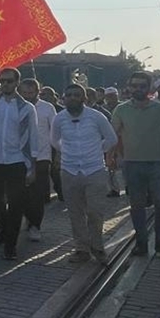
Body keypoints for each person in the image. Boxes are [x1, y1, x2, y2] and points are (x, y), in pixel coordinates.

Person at [110, 71, 160, 258]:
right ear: (129, 87)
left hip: (158, 163)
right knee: (137, 205)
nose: (138, 89)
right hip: (132, 164)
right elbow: (112, 135)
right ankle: (141, 243)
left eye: (142, 86)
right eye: (134, 85)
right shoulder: (121, 109)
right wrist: (112, 156)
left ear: (149, 88)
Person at [51, 84, 118, 264]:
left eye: (76, 95)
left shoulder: (97, 117)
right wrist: (67, 152)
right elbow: (54, 140)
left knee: (95, 211)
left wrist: (96, 150)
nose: (72, 98)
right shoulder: (59, 119)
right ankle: (81, 249)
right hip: (69, 170)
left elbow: (112, 139)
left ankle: (98, 246)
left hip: (94, 169)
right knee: (75, 212)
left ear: (84, 99)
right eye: (69, 95)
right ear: (64, 99)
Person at [0, 67, 38, 261]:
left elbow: (33, 138)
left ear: (16, 83)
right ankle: (5, 225)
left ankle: (10, 246)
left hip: (18, 161)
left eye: (9, 81)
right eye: (2, 81)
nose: (5, 84)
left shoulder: (26, 107)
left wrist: (33, 165)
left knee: (16, 204)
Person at [18, 77, 55, 242]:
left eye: (30, 93)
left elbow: (55, 132)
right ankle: (28, 217)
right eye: (24, 93)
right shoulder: (16, 106)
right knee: (22, 193)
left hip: (42, 157)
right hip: (20, 158)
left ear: (37, 92)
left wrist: (57, 156)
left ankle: (35, 225)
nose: (27, 96)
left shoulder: (47, 109)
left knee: (37, 194)